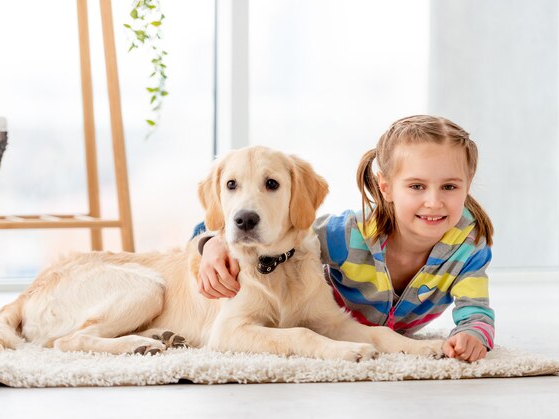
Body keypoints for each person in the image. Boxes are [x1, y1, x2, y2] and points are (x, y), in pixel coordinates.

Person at [196, 115, 495, 363]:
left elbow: (476, 308)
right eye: (417, 186)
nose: (433, 201)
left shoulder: (468, 247)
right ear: (386, 188)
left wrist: (473, 335)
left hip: (338, 325)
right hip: (331, 325)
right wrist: (209, 244)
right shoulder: (347, 235)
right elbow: (227, 224)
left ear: (468, 185)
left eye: (449, 187)